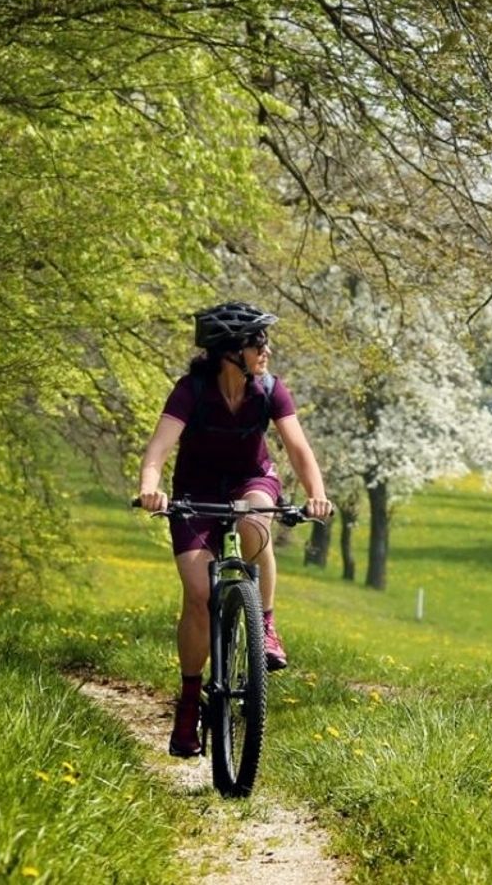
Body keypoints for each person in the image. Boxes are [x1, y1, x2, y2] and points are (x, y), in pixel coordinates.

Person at [135, 301, 333, 757]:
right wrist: (151, 488)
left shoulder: (269, 390)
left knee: (254, 516)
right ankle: (189, 703)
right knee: (198, 597)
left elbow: (298, 448)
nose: (266, 349)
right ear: (229, 352)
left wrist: (317, 493)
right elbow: (158, 449)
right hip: (195, 490)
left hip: (251, 480)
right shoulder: (190, 391)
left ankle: (264, 624)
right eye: (256, 342)